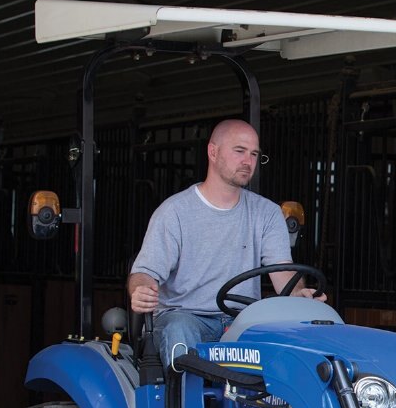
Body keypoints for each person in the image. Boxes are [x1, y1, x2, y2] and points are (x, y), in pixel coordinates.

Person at [128, 119, 324, 366]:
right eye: (239, 151)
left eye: (254, 154)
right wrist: (141, 290)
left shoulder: (267, 213)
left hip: (243, 319)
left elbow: (282, 270)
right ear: (213, 152)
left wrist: (298, 294)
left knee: (282, 337)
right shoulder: (174, 211)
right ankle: (183, 392)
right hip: (187, 318)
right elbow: (144, 273)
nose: (248, 161)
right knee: (179, 328)